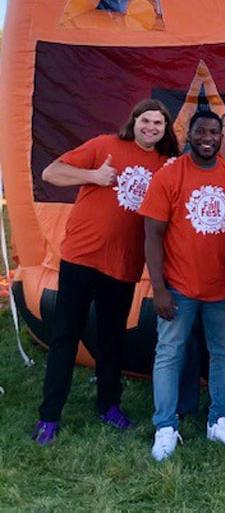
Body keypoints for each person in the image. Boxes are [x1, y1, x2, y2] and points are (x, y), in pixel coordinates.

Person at [32, 100, 180, 445]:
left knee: (112, 338)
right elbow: (50, 172)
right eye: (146, 121)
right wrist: (92, 176)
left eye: (158, 123)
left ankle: (109, 406)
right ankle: (49, 415)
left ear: (165, 129)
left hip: (125, 264)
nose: (151, 128)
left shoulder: (166, 164)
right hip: (82, 257)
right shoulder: (104, 145)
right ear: (134, 121)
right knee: (66, 336)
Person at [141, 110, 225, 461]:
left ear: (221, 138)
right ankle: (165, 426)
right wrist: (158, 288)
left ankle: (219, 420)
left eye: (214, 132)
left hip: (222, 288)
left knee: (223, 355)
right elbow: (152, 235)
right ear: (188, 134)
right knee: (169, 354)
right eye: (201, 130)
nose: (208, 137)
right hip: (178, 287)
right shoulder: (170, 176)